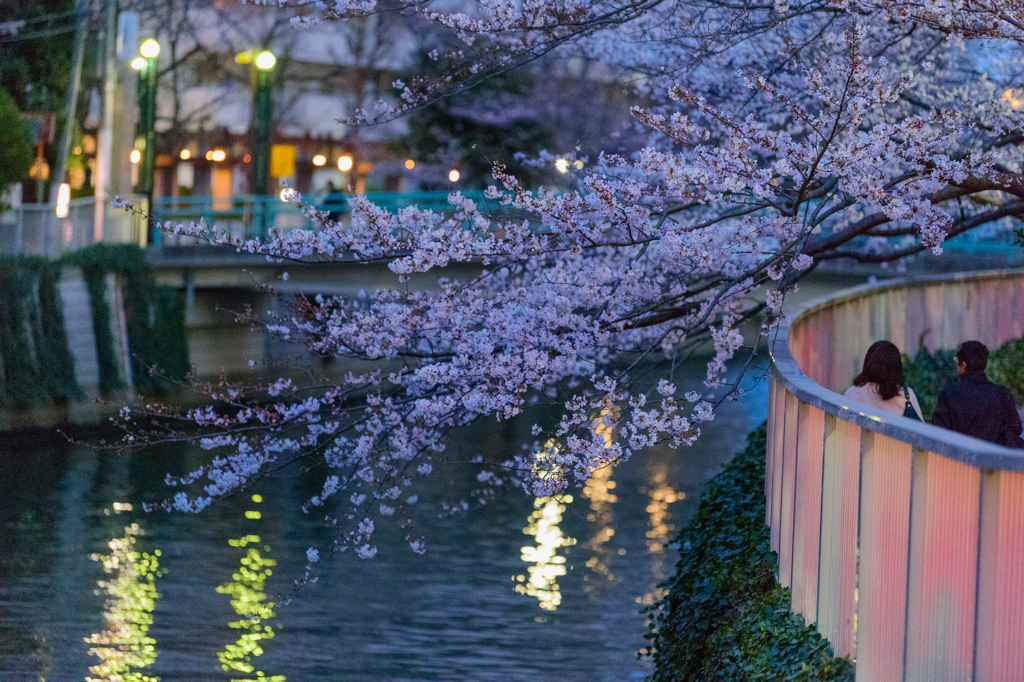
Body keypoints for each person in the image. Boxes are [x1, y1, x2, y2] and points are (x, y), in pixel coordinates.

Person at [931, 340, 1024, 448]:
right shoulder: (1001, 394)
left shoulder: (949, 393)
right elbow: (1015, 428)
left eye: (956, 360)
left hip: (958, 461)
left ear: (963, 364)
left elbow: (938, 431)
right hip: (993, 460)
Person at [844, 340, 924, 421]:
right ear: (897, 368)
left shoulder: (852, 393)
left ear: (868, 363)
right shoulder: (907, 395)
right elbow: (920, 429)